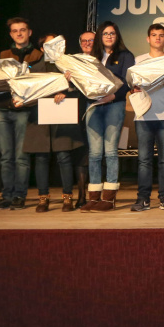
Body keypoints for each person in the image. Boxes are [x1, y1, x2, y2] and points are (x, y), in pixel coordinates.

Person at [22, 34, 86, 212]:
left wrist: (68, 89)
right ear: (42, 48)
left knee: (64, 156)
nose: (55, 47)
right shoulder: (34, 69)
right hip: (39, 118)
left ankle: (67, 197)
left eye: (58, 44)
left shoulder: (68, 67)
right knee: (41, 157)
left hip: (61, 115)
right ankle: (43, 198)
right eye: (49, 44)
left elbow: (81, 90)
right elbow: (27, 94)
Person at [0, 17, 44, 211]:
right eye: (15, 31)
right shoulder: (3, 54)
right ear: (11, 34)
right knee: (5, 156)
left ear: (29, 32)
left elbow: (40, 84)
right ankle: (6, 195)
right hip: (2, 109)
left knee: (21, 156)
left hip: (24, 110)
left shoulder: (38, 55)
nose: (19, 34)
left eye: (22, 30)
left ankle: (19, 195)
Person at [80, 21, 134, 212]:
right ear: (100, 37)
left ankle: (109, 198)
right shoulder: (90, 57)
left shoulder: (126, 56)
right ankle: (93, 198)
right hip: (93, 106)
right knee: (94, 153)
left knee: (110, 151)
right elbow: (84, 81)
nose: (109, 37)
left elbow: (128, 82)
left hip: (114, 105)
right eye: (105, 34)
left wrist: (113, 96)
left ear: (117, 36)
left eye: (112, 33)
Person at [130, 24, 164, 212]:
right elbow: (132, 85)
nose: (157, 38)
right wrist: (133, 88)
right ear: (148, 39)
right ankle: (143, 198)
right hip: (143, 115)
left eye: (161, 35)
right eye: (154, 35)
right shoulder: (138, 60)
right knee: (144, 160)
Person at [72, 31, 95, 209]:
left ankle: (97, 195)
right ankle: (81, 195)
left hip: (100, 108)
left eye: (91, 40)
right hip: (78, 110)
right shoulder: (73, 61)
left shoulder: (103, 60)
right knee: (81, 152)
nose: (88, 43)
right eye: (84, 41)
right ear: (80, 44)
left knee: (97, 153)